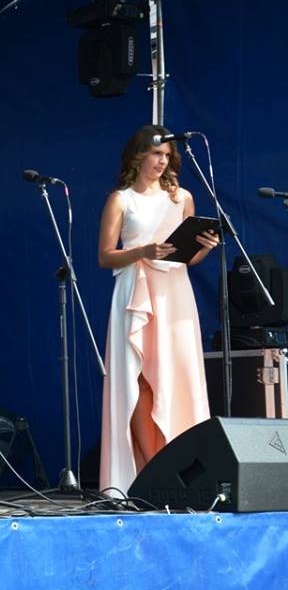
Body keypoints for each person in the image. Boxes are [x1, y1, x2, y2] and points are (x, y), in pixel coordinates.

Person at [98, 125, 220, 495]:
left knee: (177, 376)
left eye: (167, 155)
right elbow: (105, 257)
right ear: (138, 157)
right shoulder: (121, 199)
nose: (162, 161)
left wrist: (205, 247)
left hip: (174, 293)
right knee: (137, 380)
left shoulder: (181, 198)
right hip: (135, 291)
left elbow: (187, 258)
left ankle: (186, 473)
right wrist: (143, 251)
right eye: (156, 154)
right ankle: (147, 472)